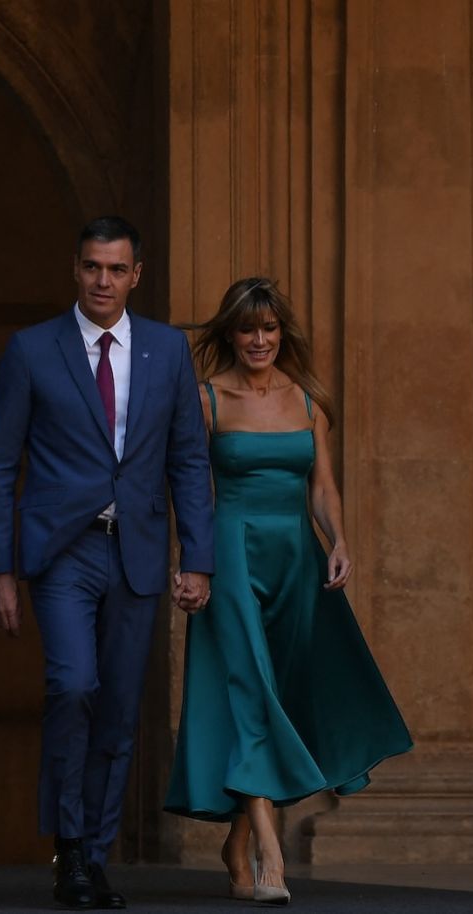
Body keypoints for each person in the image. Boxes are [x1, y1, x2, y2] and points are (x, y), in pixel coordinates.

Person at [0, 215, 215, 909]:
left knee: (117, 706)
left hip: (138, 551)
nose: (103, 281)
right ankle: (72, 845)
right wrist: (0, 568)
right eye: (91, 267)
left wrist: (195, 558)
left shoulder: (168, 352)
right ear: (75, 269)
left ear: (136, 274)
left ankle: (92, 852)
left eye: (116, 269)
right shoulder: (31, 350)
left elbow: (189, 460)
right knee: (73, 685)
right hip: (62, 551)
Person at [164, 277, 413, 904]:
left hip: (296, 558)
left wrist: (340, 540)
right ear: (230, 334)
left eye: (269, 328)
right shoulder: (206, 399)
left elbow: (322, 486)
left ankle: (239, 842)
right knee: (248, 690)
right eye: (247, 329)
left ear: (283, 334)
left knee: (286, 694)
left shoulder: (306, 401)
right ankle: (271, 850)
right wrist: (190, 562)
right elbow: (192, 490)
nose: (258, 340)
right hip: (229, 553)